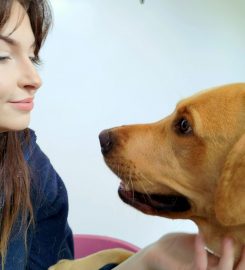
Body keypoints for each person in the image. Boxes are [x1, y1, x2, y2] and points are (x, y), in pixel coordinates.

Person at [1, 0, 245, 269]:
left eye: (33, 57)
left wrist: (147, 260)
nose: (35, 78)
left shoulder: (37, 179)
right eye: (3, 55)